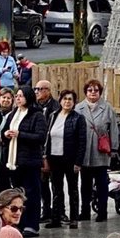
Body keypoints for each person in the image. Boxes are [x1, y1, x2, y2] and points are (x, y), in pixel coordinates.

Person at [0, 88, 45, 236]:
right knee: (17, 194)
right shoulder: (12, 114)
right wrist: (5, 135)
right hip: (13, 160)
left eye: (21, 96)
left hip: (30, 161)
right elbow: (4, 133)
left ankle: (32, 225)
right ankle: (20, 223)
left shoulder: (37, 115)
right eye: (16, 96)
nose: (17, 99)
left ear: (28, 97)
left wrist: (20, 134)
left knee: (32, 193)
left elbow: (40, 137)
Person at [75, 78, 117, 223]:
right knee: (85, 184)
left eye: (96, 90)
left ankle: (102, 211)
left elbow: (114, 130)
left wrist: (114, 148)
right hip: (84, 150)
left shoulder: (108, 108)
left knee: (101, 184)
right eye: (90, 90)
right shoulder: (78, 108)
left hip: (101, 150)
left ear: (100, 92)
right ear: (85, 92)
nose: (93, 93)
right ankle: (84, 211)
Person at [44, 90, 86, 227]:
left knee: (73, 189)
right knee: (56, 189)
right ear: (60, 100)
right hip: (54, 157)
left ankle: (74, 218)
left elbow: (82, 142)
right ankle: (56, 218)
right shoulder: (52, 116)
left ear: (74, 103)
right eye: (65, 99)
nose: (67, 102)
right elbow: (47, 137)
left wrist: (78, 162)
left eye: (70, 99)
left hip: (70, 159)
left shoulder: (78, 118)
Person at [34, 79, 60, 222]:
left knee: (56, 183)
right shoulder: (35, 106)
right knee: (42, 183)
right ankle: (46, 210)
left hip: (53, 150)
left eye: (39, 89)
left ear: (48, 91)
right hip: (38, 150)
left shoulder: (56, 107)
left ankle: (58, 211)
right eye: (36, 89)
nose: (37, 92)